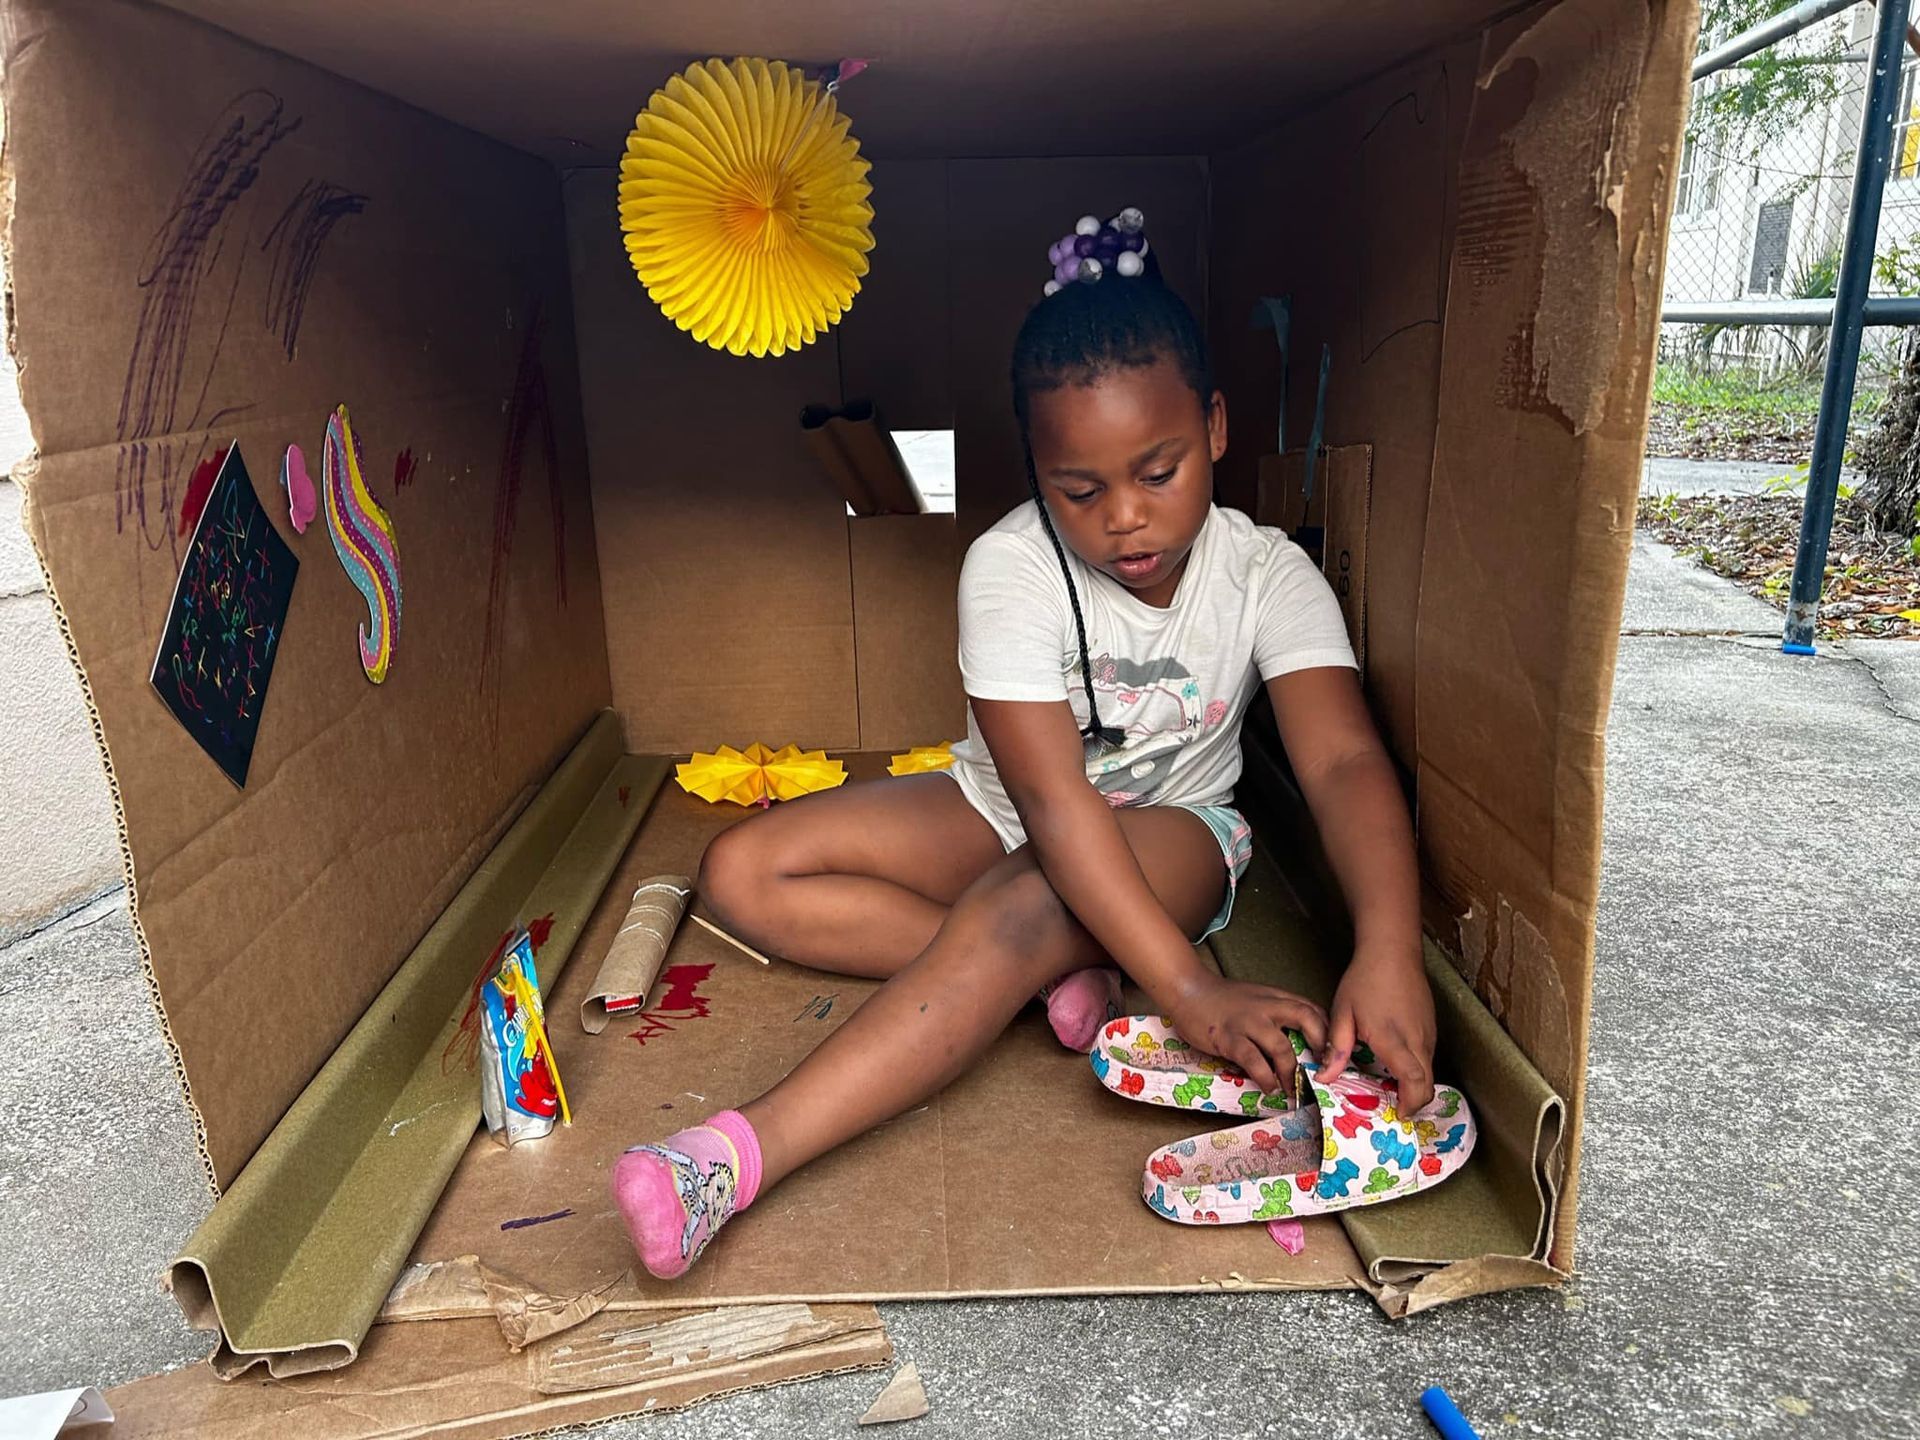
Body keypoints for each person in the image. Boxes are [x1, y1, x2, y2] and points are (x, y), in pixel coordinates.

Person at [612, 211, 1436, 1281]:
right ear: (1036, 469)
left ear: (1218, 427)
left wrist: (1389, 948)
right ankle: (1038, 984)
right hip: (1006, 806)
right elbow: (1046, 802)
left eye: (1160, 469)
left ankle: (731, 1157)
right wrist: (1183, 992)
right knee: (744, 870)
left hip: (1176, 831)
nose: (1126, 520)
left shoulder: (1268, 573)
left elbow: (1342, 765)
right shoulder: (1007, 568)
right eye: (1080, 490)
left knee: (1026, 906)